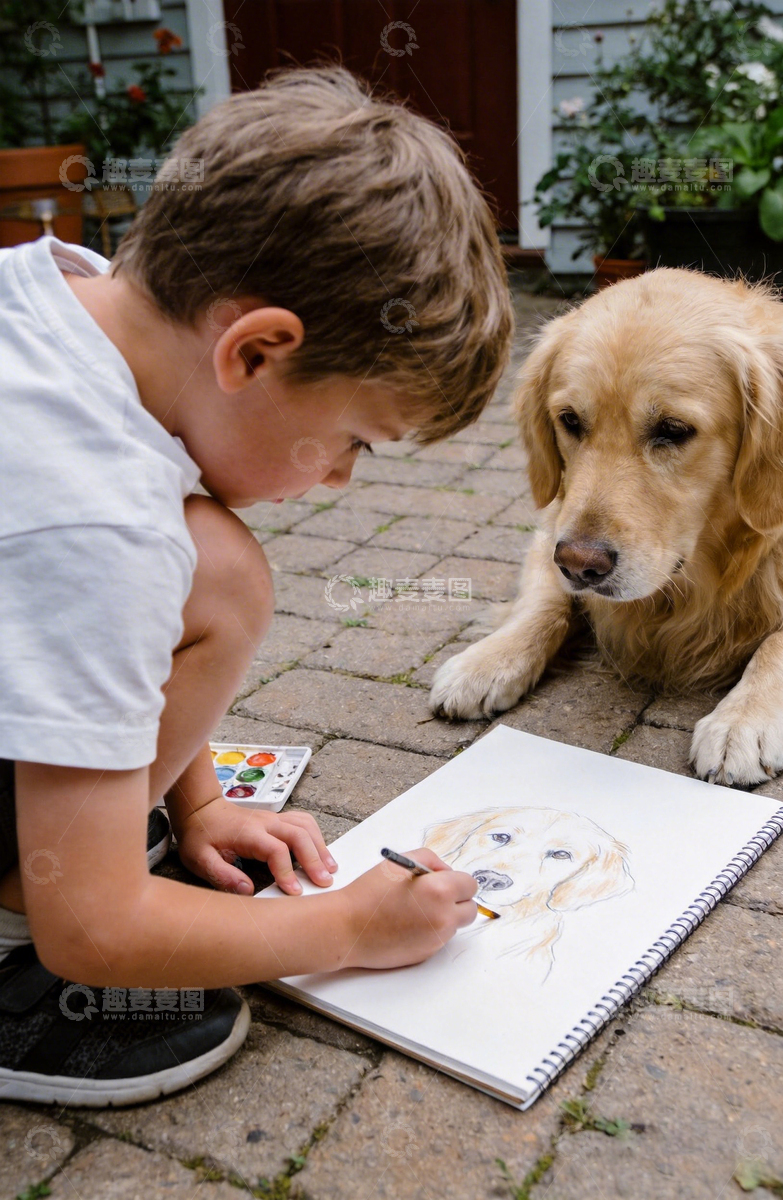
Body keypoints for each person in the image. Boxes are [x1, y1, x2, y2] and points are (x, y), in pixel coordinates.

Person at [0, 65, 513, 1105]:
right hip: (72, 914)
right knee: (221, 571)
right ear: (255, 351)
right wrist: (343, 928)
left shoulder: (62, 300)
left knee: (206, 559)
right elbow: (93, 927)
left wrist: (195, 793)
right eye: (354, 442)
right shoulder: (96, 518)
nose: (335, 479)